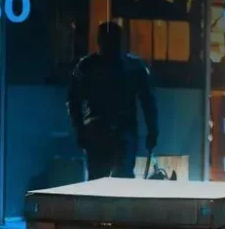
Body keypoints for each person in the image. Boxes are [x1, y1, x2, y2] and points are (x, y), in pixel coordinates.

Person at [67, 22, 158, 179]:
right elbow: (148, 102)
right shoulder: (135, 67)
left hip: (100, 130)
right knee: (119, 179)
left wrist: (80, 130)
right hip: (118, 131)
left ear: (98, 41)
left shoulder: (86, 66)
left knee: (99, 179)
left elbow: (73, 101)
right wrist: (153, 131)